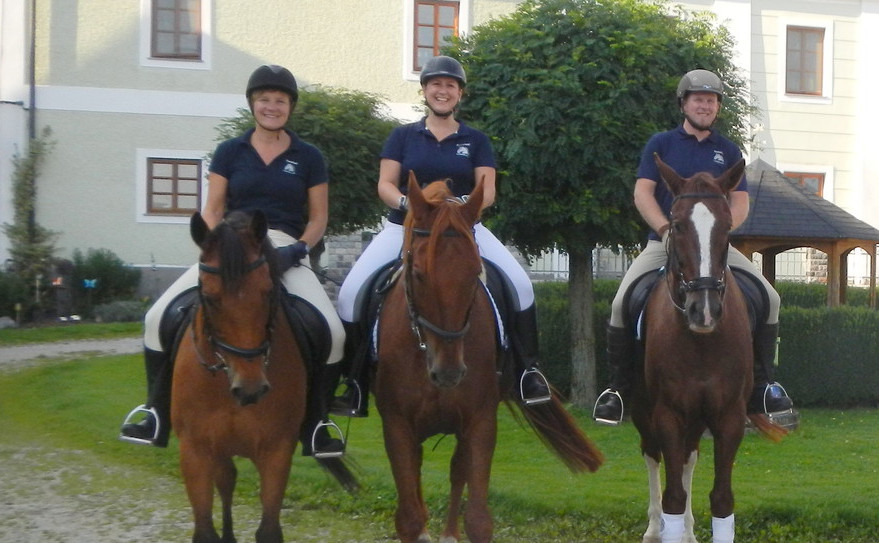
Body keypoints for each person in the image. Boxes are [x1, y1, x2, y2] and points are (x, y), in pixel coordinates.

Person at [119, 65, 347, 458]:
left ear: (290, 106)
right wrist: (212, 244)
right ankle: (155, 411)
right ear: (252, 104)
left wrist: (299, 249)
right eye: (264, 100)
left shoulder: (308, 156)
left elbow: (318, 217)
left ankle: (317, 423)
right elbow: (213, 208)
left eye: (280, 100)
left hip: (285, 244)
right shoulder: (230, 151)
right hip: (231, 245)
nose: (272, 107)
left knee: (333, 331)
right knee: (158, 316)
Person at [331, 55, 550, 416]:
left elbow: (488, 189)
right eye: (436, 84)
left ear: (459, 94)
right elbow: (385, 183)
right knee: (351, 293)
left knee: (521, 285)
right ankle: (354, 381)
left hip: (463, 229)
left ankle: (528, 371)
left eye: (450, 85)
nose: (442, 91)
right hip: (406, 226)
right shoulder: (403, 136)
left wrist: (459, 207)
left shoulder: (475, 140)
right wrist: (409, 203)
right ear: (425, 91)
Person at [590, 68, 796, 430]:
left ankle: (764, 387)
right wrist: (665, 229)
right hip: (665, 243)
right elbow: (643, 193)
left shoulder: (728, 150)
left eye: (712, 100)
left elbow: (741, 201)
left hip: (714, 246)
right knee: (621, 303)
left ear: (718, 108)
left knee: (771, 299)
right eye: (698, 99)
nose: (705, 105)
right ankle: (618, 390)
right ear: (684, 104)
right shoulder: (661, 144)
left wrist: (720, 231)